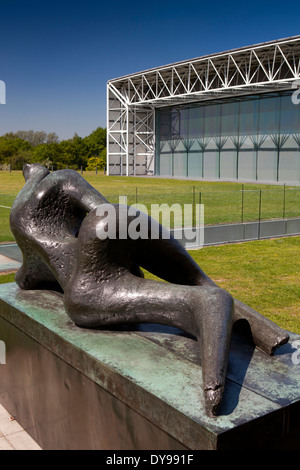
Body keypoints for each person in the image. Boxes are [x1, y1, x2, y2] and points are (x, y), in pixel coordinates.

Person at [10, 163, 289, 416]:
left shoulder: (19, 217)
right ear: (40, 170)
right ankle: (264, 330)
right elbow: (102, 209)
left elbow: (28, 276)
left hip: (92, 270)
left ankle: (205, 304)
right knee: (198, 279)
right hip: (112, 222)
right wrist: (125, 257)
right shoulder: (62, 178)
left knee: (80, 300)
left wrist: (116, 267)